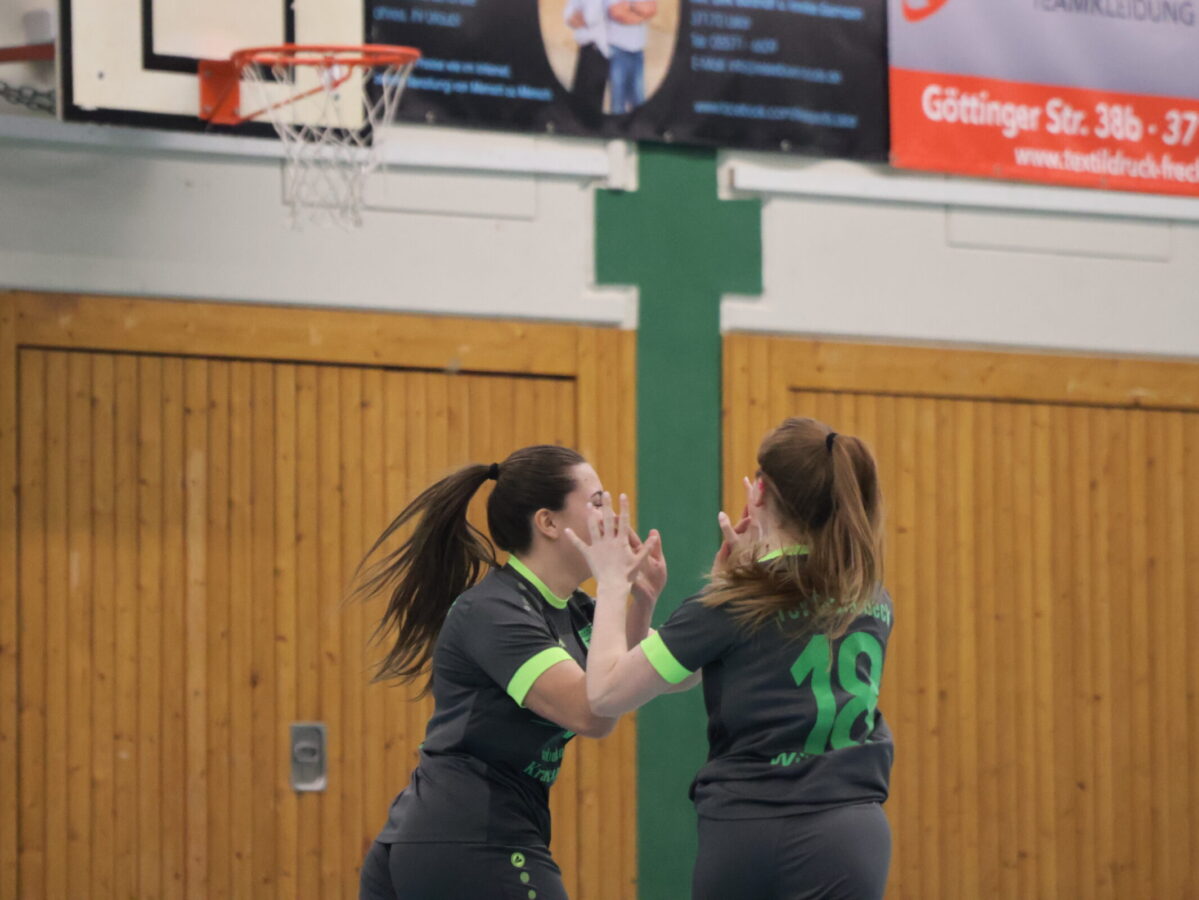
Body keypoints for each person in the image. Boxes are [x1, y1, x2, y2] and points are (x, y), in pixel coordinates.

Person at [566, 418, 894, 900]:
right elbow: (701, 670)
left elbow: (605, 692)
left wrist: (613, 582)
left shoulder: (734, 605)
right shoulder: (872, 596)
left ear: (759, 491)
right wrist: (739, 578)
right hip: (853, 832)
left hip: (753, 827)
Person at [355, 444, 666, 900]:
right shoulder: (494, 611)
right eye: (597, 502)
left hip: (462, 840)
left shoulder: (579, 610)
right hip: (466, 838)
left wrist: (643, 601)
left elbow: (634, 679)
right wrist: (616, 588)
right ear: (548, 522)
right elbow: (592, 713)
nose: (612, 518)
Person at [605, 0, 657, 113]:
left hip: (638, 49)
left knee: (639, 98)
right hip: (617, 48)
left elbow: (651, 9)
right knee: (618, 100)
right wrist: (639, 12)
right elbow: (617, 13)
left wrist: (628, 6)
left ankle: (636, 125)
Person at [564, 0, 610, 124]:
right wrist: (578, 19)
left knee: (592, 98)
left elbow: (592, 17)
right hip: (585, 47)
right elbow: (569, 15)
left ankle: (590, 124)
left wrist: (583, 18)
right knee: (579, 94)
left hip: (602, 49)